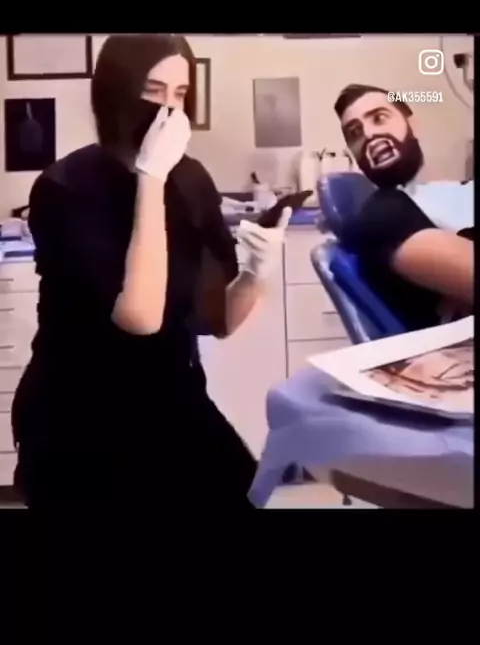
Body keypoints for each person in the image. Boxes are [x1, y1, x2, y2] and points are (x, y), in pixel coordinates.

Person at [12, 34, 291, 508]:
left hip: (172, 399)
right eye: (152, 91)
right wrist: (151, 178)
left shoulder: (193, 181)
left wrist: (255, 274)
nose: (168, 110)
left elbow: (218, 320)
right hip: (78, 415)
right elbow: (140, 318)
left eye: (180, 94)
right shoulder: (63, 188)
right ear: (114, 94)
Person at [333, 84, 474, 330]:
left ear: (413, 126)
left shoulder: (449, 192)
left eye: (379, 118)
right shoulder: (384, 213)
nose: (368, 134)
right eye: (355, 133)